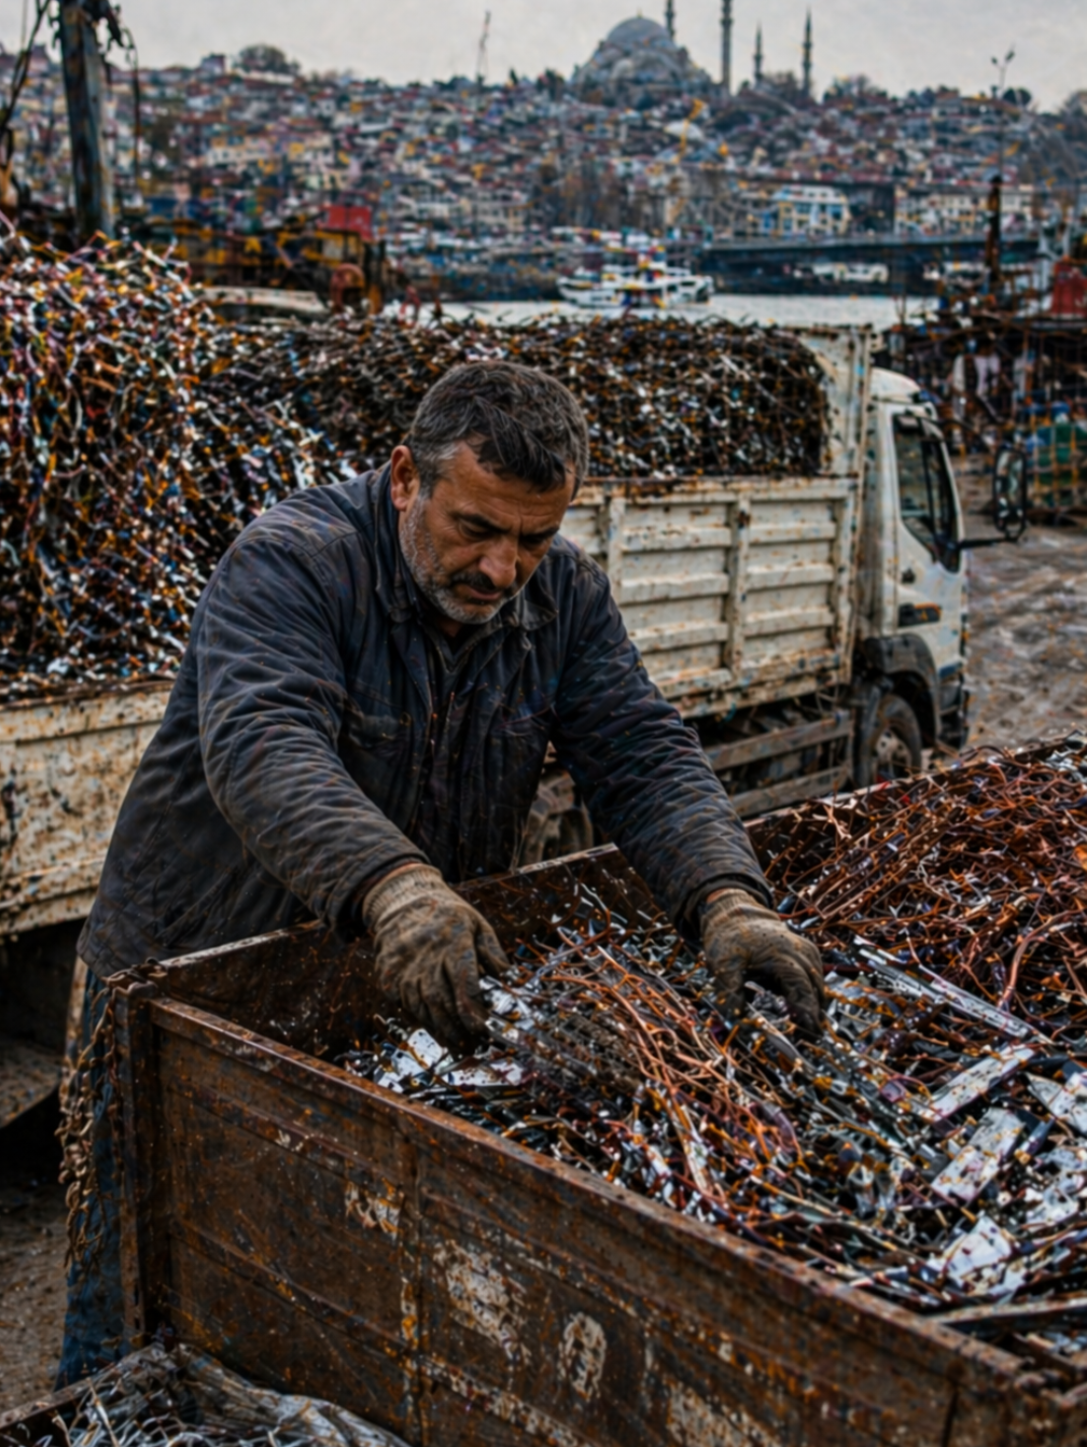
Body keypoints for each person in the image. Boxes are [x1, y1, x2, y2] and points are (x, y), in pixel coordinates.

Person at [58, 360, 824, 1382]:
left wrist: (727, 901)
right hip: (186, 984)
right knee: (142, 1306)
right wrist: (398, 888)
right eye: (476, 528)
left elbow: (641, 754)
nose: (503, 570)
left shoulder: (566, 601)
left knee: (320, 1302)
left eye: (534, 539)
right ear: (405, 478)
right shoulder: (295, 562)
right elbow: (265, 742)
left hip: (369, 998)